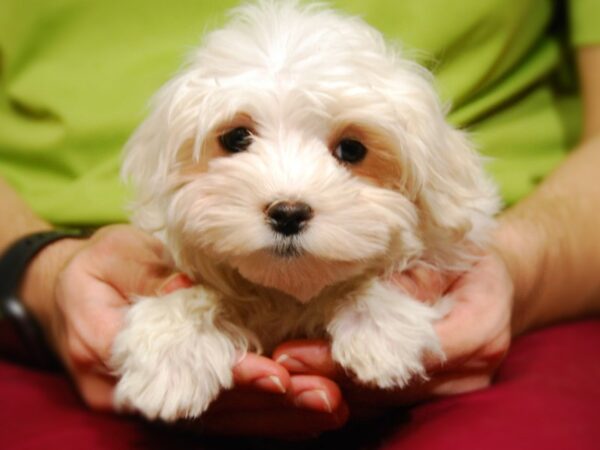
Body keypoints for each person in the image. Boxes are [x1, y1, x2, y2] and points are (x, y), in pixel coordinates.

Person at [0, 0, 599, 445]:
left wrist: (521, 268)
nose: (287, 200)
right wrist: (38, 271)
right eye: (236, 140)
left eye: (352, 151)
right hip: (49, 298)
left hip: (527, 296)